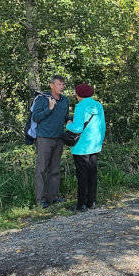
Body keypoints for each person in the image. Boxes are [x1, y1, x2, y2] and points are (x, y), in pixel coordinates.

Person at [30, 75, 71, 208]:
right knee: (41, 169)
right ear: (51, 85)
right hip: (44, 138)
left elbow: (65, 116)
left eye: (63, 84)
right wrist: (49, 109)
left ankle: (52, 197)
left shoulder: (65, 100)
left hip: (59, 138)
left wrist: (69, 120)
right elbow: (35, 117)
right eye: (59, 84)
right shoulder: (42, 98)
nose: (61, 87)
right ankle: (40, 200)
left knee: (55, 169)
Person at [66, 83, 106, 211]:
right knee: (92, 174)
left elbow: (77, 128)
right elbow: (103, 126)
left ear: (78, 95)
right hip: (94, 145)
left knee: (82, 176)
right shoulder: (98, 105)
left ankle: (81, 204)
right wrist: (99, 141)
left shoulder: (80, 106)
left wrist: (68, 124)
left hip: (81, 147)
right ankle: (91, 202)